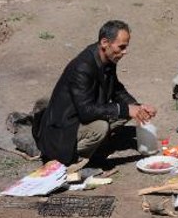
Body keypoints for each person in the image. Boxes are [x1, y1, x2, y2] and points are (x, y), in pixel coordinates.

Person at [33, 20, 157, 169]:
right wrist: (125, 109)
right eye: (121, 47)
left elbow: (116, 89)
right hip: (63, 129)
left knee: (126, 111)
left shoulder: (107, 59)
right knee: (101, 127)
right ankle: (74, 158)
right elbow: (86, 112)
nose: (125, 51)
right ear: (105, 42)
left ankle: (97, 145)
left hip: (83, 114)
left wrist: (138, 107)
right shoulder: (82, 67)